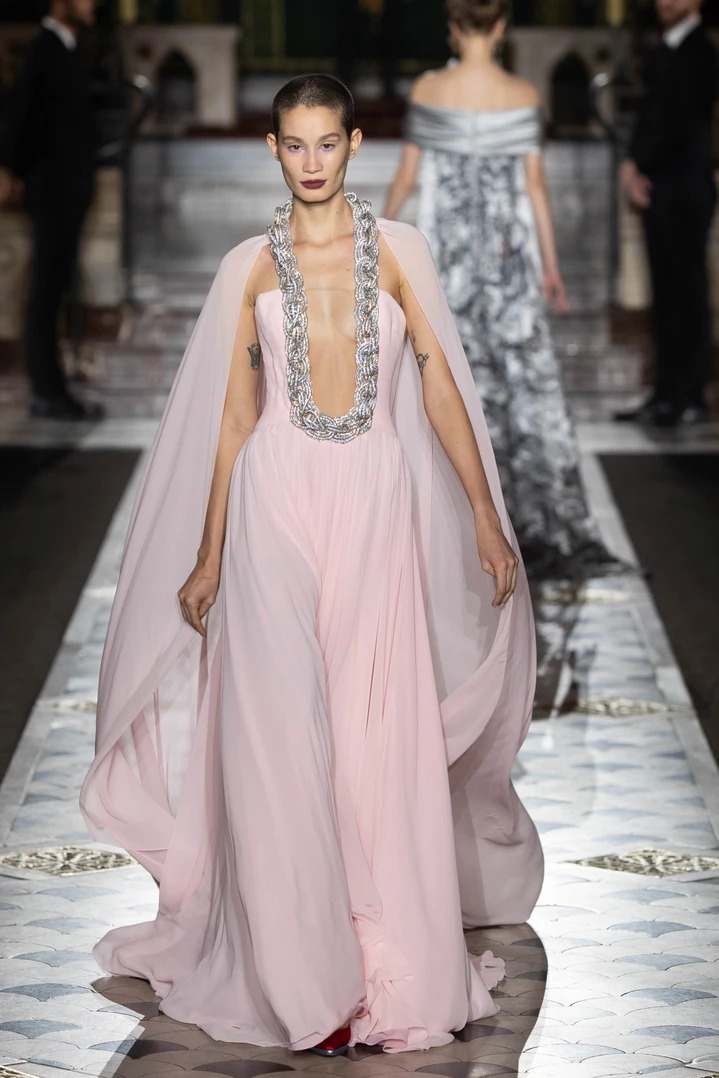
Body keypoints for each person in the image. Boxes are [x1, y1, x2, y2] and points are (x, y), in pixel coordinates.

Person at [79, 75, 543, 1055]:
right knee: (280, 728)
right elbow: (233, 420)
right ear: (273, 150)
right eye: (294, 144)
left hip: (373, 503)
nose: (312, 161)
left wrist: (482, 515)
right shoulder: (248, 267)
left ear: (355, 144)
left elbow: (441, 391)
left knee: (370, 733)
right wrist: (208, 553)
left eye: (327, 142)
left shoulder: (401, 254)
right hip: (273, 502)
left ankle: (367, 947)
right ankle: (299, 978)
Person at [383, 0, 626, 581]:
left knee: (445, 379)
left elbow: (408, 178)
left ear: (452, 27)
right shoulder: (521, 94)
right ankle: (528, 516)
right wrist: (551, 266)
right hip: (508, 261)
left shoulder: (429, 88)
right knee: (523, 384)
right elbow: (534, 187)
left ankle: (449, 519)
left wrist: (372, 245)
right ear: (500, 27)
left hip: (446, 264)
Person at [0, 0, 104, 420]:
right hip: (53, 192)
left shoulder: (70, 48)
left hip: (67, 191)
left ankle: (53, 388)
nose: (93, 4)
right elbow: (21, 114)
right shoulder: (45, 48)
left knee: (55, 289)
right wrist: (9, 168)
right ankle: (47, 391)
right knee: (46, 291)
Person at [616, 0, 717, 428]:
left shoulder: (700, 51)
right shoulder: (665, 49)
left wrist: (634, 164)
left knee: (687, 295)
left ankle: (689, 395)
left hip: (685, 190)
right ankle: (666, 393)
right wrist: (634, 165)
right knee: (667, 296)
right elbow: (652, 118)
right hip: (662, 188)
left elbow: (677, 122)